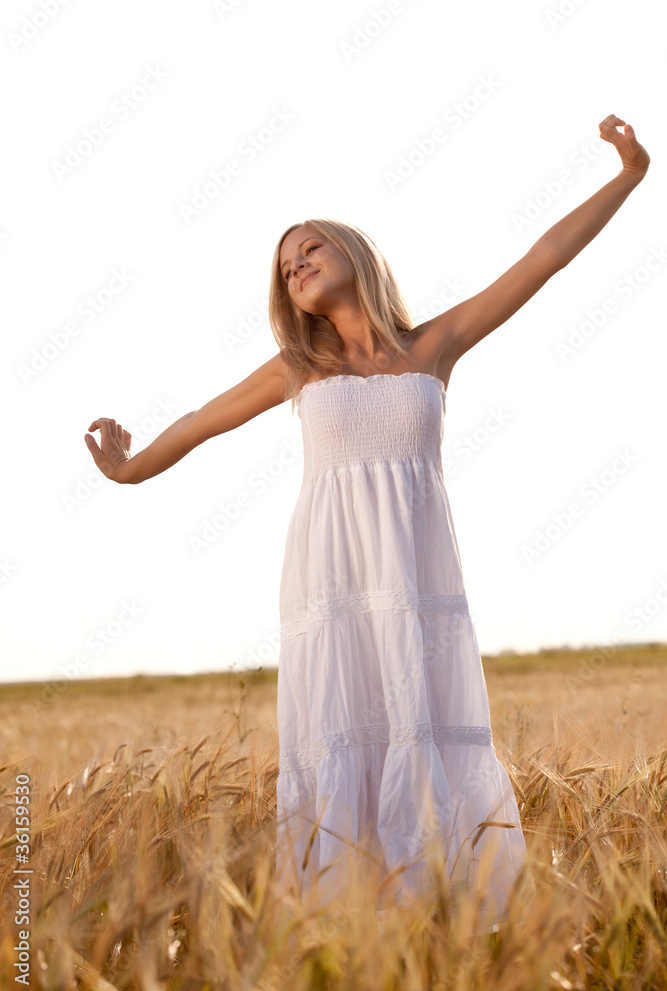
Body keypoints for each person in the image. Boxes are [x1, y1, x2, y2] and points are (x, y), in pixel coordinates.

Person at [85, 114, 649, 933]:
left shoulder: (432, 348)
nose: (297, 266)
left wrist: (628, 175)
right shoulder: (297, 369)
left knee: (423, 730)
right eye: (286, 267)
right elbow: (202, 421)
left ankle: (447, 922)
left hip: (416, 580)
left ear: (354, 253)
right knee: (341, 733)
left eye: (309, 248)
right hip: (333, 580)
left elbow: (542, 261)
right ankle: (345, 928)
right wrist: (129, 466)